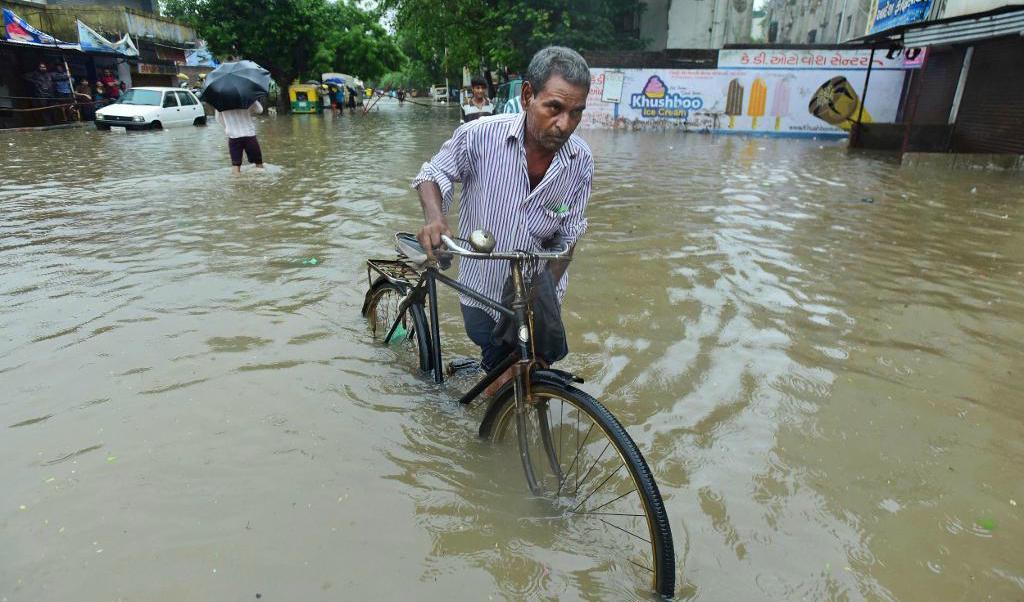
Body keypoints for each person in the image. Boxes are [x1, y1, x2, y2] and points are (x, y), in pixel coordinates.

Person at [412, 46, 592, 394]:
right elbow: (432, 174)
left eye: (576, 113)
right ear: (528, 96)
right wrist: (436, 220)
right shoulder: (479, 136)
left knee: (531, 375)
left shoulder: (580, 160)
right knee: (501, 382)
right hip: (483, 292)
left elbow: (570, 233)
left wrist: (541, 293)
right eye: (554, 108)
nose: (564, 124)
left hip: (538, 297)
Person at [215, 100, 264, 174]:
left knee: (236, 164)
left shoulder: (219, 101)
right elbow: (260, 110)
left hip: (233, 136)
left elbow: (218, 119)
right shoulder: (246, 97)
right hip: (249, 134)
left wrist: (228, 127)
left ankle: (237, 184)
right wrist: (254, 100)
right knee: (258, 162)